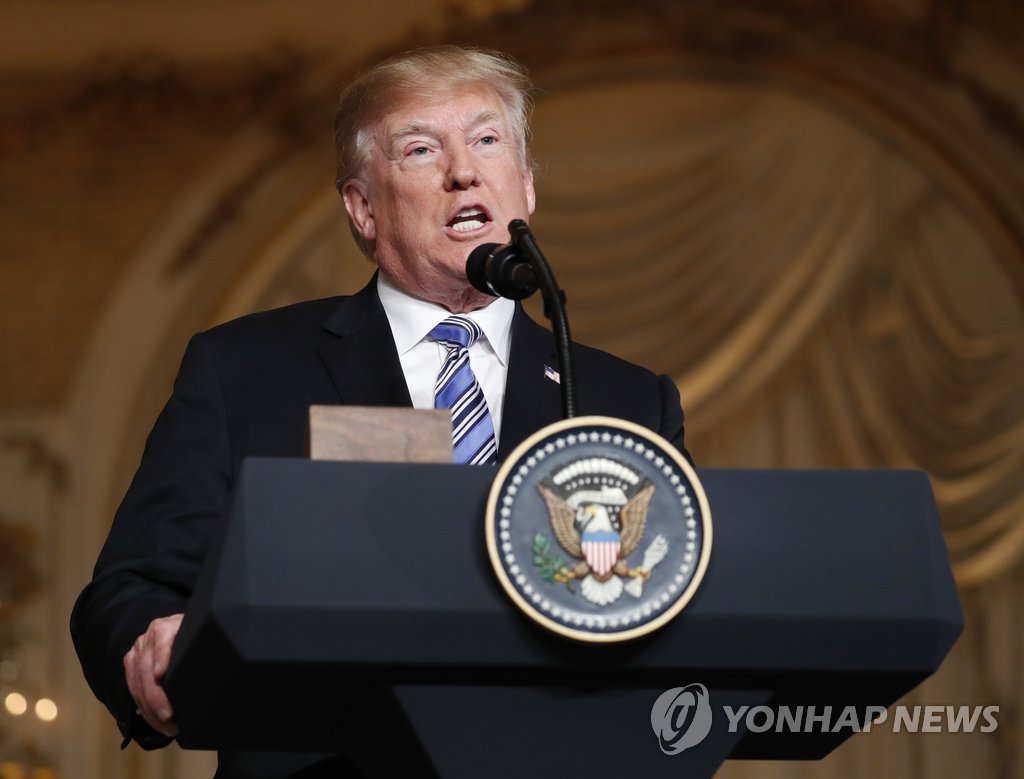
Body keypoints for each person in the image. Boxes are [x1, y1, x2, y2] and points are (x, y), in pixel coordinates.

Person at [71, 45, 688, 778]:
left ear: (524, 184)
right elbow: (130, 589)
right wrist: (147, 643)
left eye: (487, 140)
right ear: (363, 208)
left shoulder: (626, 401)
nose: (464, 170)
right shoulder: (246, 371)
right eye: (421, 149)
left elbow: (676, 616)